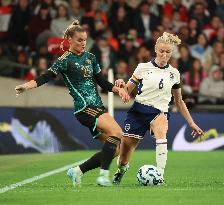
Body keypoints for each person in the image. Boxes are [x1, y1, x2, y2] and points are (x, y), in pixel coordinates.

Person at [15, 20, 130, 187]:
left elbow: (102, 82)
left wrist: (117, 90)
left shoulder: (91, 57)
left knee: (115, 149)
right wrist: (26, 86)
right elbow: (45, 77)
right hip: (85, 108)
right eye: (79, 40)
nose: (83, 43)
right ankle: (103, 176)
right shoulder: (65, 60)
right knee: (117, 132)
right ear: (69, 39)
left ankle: (77, 171)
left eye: (85, 40)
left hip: (97, 107)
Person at [112, 32, 204, 185]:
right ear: (155, 49)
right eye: (161, 51)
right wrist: (121, 85)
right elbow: (127, 91)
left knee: (161, 132)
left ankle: (159, 176)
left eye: (168, 51)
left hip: (160, 111)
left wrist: (191, 123)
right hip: (139, 111)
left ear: (171, 53)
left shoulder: (174, 74)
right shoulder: (142, 68)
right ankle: (121, 170)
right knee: (124, 154)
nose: (164, 54)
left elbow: (179, 101)